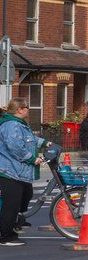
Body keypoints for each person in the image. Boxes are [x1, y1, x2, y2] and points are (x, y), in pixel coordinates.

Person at [0, 100, 49, 246]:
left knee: (27, 193)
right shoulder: (11, 125)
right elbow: (15, 146)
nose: (29, 109)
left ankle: (15, 221)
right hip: (9, 170)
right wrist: (32, 159)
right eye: (27, 107)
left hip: (17, 171)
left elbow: (29, 139)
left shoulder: (19, 124)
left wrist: (46, 143)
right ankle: (6, 236)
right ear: (20, 109)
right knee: (11, 203)